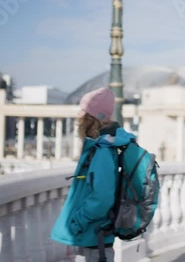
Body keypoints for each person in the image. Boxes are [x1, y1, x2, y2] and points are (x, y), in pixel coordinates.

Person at [51, 87, 133, 262]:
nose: (78, 119)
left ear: (92, 119)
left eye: (83, 114)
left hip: (95, 234)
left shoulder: (102, 151)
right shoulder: (99, 147)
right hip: (94, 234)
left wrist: (78, 221)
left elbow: (102, 197)